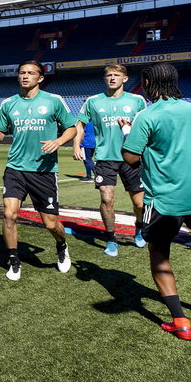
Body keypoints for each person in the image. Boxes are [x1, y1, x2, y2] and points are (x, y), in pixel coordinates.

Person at [122, 63, 191, 341]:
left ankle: (180, 321)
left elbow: (130, 157)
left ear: (148, 82)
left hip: (163, 198)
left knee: (159, 252)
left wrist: (127, 133)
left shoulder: (148, 115)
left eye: (143, 82)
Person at [0, 61, 78, 280]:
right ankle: (14, 260)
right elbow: (0, 132)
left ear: (41, 78)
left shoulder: (54, 101)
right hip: (15, 168)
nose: (25, 76)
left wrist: (58, 141)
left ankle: (61, 245)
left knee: (50, 223)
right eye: (22, 73)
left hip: (43, 170)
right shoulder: (9, 103)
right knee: (9, 215)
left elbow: (72, 128)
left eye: (31, 73)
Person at [73, 64, 147, 255]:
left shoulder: (137, 100)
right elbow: (79, 124)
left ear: (125, 79)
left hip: (131, 157)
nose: (112, 78)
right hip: (105, 158)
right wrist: (77, 145)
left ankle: (139, 229)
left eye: (116, 75)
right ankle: (111, 238)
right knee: (107, 198)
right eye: (109, 75)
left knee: (139, 203)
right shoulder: (93, 101)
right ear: (104, 79)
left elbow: (145, 126)